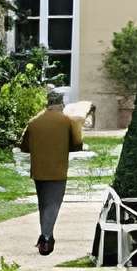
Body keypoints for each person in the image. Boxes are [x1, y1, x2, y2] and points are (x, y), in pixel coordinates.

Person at [21, 96, 87, 257]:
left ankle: (44, 235)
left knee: (43, 204)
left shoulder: (34, 122)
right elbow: (77, 143)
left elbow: (24, 146)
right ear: (61, 105)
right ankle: (46, 238)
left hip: (38, 170)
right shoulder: (67, 121)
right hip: (57, 169)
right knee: (53, 204)